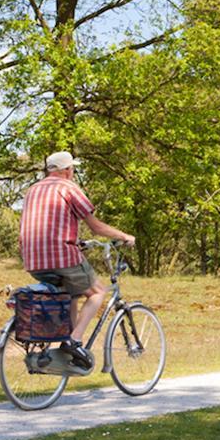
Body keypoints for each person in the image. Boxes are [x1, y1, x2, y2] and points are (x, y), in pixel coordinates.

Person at [19, 151, 135, 368]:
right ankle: (74, 341)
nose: (73, 172)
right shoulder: (68, 187)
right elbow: (95, 226)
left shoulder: (32, 190)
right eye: (72, 169)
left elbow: (45, 225)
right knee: (97, 292)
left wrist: (76, 239)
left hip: (32, 259)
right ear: (66, 170)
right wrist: (124, 236)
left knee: (71, 295)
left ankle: (67, 343)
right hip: (61, 256)